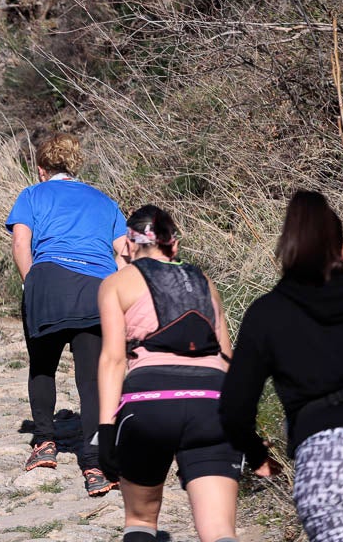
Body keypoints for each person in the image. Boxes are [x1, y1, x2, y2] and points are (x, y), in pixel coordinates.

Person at [220, 190, 343, 542]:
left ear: (285, 254)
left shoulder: (268, 313)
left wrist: (256, 455)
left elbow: (233, 408)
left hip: (326, 462)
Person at [96, 205, 241, 542]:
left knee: (141, 519)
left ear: (130, 246)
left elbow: (113, 360)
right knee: (220, 530)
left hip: (150, 403)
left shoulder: (116, 283)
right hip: (213, 403)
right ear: (173, 245)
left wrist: (105, 430)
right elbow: (228, 358)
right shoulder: (204, 282)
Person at [5, 132, 126, 495]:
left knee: (42, 366)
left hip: (48, 283)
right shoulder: (104, 201)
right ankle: (95, 466)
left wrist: (32, 283)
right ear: (74, 166)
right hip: (96, 289)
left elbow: (20, 242)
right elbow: (125, 252)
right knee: (91, 379)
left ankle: (44, 444)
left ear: (41, 169)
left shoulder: (31, 195)